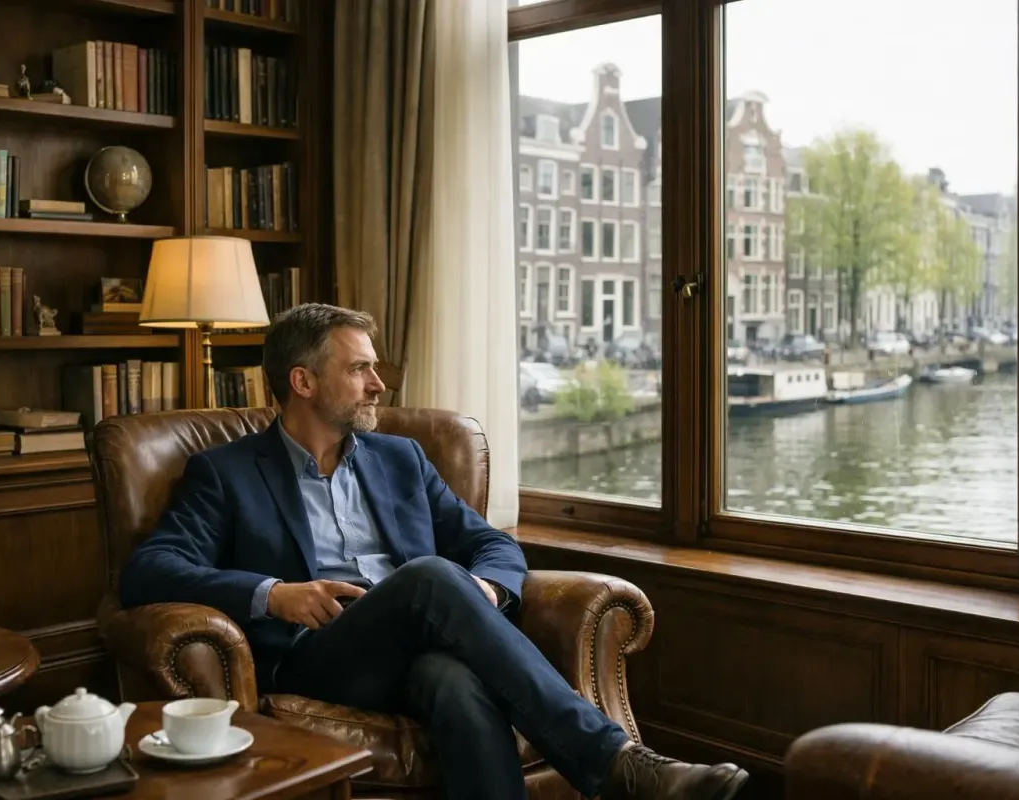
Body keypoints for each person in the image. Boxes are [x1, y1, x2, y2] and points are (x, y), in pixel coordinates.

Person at [118, 303, 748, 800]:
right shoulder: (227, 472)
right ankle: (618, 765)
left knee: (452, 679)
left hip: (420, 643)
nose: (377, 384)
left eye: (374, 368)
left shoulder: (400, 458)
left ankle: (615, 769)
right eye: (358, 370)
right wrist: (273, 595)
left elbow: (490, 543)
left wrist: (486, 591)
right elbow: (149, 570)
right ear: (302, 381)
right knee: (429, 578)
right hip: (318, 655)